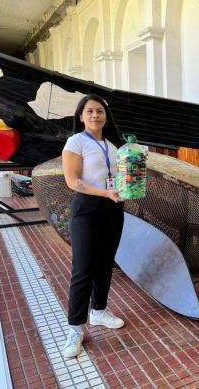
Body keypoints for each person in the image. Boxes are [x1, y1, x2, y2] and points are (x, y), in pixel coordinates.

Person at [61, 94, 126, 358]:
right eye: (90, 111)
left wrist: (128, 188)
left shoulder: (114, 145)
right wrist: (105, 194)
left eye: (100, 111)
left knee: (105, 263)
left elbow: (120, 175)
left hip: (113, 209)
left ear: (106, 116)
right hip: (87, 210)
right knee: (83, 269)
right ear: (81, 116)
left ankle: (99, 311)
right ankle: (75, 328)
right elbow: (72, 180)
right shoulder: (76, 142)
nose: (95, 115)